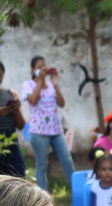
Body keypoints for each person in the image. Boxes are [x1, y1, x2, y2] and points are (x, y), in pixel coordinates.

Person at [22, 55, 76, 190]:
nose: (43, 69)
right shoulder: (28, 85)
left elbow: (62, 104)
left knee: (68, 161)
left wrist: (56, 85)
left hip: (56, 131)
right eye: (39, 67)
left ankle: (79, 193)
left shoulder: (51, 86)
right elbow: (33, 100)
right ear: (32, 69)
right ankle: (43, 198)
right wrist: (40, 80)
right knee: (42, 165)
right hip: (39, 131)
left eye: (44, 66)